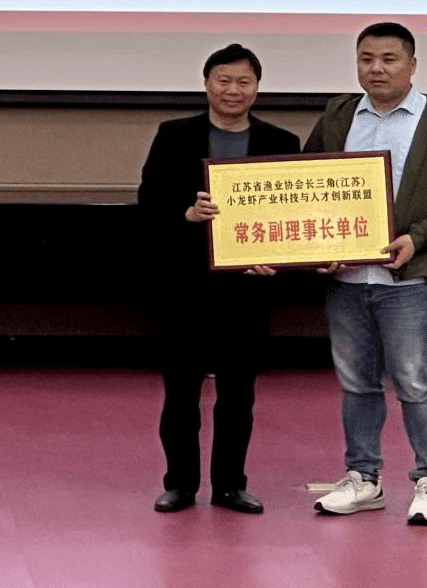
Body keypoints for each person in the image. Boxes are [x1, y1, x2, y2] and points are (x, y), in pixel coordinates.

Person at [303, 22, 427, 525]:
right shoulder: (339, 115)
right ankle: (363, 478)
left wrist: (418, 238)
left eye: (388, 59)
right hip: (347, 280)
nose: (376, 69)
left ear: (412, 64)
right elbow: (307, 181)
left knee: (415, 381)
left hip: (411, 278)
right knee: (356, 384)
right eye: (366, 59)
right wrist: (319, 246)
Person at [138, 43, 300, 515]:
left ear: (257, 88)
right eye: (223, 80)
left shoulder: (281, 142)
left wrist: (276, 258)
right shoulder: (174, 135)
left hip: (247, 288)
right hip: (185, 285)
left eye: (243, 81)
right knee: (180, 393)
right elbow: (149, 203)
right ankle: (180, 484)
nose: (233, 90)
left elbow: (290, 216)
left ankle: (230, 484)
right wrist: (186, 214)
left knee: (238, 395)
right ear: (207, 84)